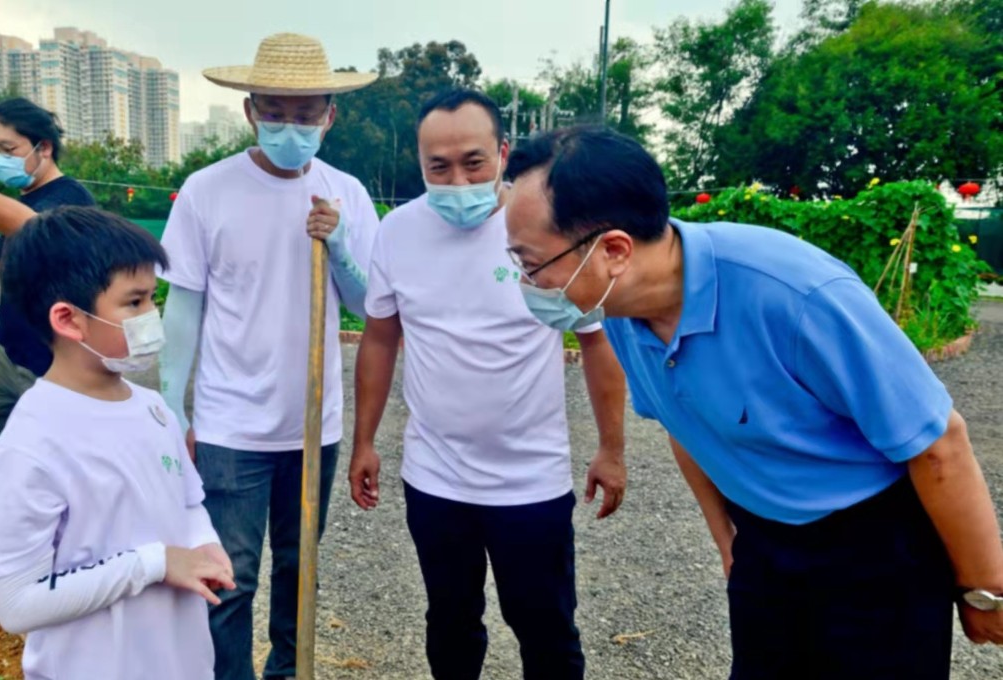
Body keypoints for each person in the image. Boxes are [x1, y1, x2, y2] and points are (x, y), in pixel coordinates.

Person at [503, 126, 1003, 679]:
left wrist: (984, 592)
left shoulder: (796, 297)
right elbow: (686, 424)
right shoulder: (621, 310)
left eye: (530, 261)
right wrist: (729, 542)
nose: (523, 280)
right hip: (765, 544)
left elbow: (938, 444)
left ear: (615, 250)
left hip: (875, 547)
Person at [350, 90, 627, 680]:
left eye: (473, 162)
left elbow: (597, 342)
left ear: (503, 153)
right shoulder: (397, 233)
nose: (456, 179)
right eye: (438, 167)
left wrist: (612, 449)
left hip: (530, 480)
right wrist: (364, 441)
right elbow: (379, 338)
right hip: (435, 477)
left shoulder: (546, 228)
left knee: (546, 627)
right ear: (419, 165)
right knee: (450, 623)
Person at [158, 33, 378, 680]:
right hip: (232, 425)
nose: (292, 126)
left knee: (300, 565)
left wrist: (337, 244)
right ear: (251, 110)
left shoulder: (347, 196)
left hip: (316, 425)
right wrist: (173, 405)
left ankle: (290, 669)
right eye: (277, 111)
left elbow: (370, 308)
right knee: (230, 577)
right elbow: (184, 306)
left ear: (330, 115)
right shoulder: (207, 190)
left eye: (307, 112)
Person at [0, 206, 235, 679]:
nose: (152, 316)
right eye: (134, 302)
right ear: (69, 319)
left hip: (180, 662)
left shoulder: (153, 409)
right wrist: (154, 564)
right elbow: (17, 603)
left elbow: (186, 501)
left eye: (152, 299)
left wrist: (203, 542)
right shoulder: (31, 444)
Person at [0, 98, 96, 451]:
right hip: (6, 353)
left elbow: (36, 229)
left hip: (49, 366)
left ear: (43, 147)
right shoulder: (26, 198)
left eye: (7, 148)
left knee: (56, 462)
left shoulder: (72, 199)